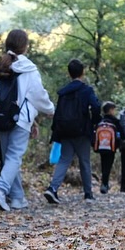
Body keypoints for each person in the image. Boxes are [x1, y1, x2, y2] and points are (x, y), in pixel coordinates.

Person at [0, 29, 54, 212]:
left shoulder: (0, 64)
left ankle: (17, 198)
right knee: (14, 158)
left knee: (10, 158)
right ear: (25, 46)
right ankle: (0, 191)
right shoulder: (28, 68)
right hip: (20, 118)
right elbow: (38, 94)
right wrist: (50, 110)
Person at [43, 59, 100, 204]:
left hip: (65, 132)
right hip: (82, 131)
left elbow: (59, 113)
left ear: (69, 73)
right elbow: (96, 106)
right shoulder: (87, 90)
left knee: (63, 160)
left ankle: (52, 189)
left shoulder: (63, 92)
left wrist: (56, 131)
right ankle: (88, 194)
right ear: (83, 72)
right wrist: (94, 122)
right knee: (84, 162)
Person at [94, 101, 120, 195]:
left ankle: (104, 183)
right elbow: (120, 134)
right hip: (111, 147)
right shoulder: (115, 121)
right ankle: (104, 184)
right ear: (110, 110)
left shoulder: (100, 121)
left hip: (101, 146)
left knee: (103, 163)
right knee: (108, 165)